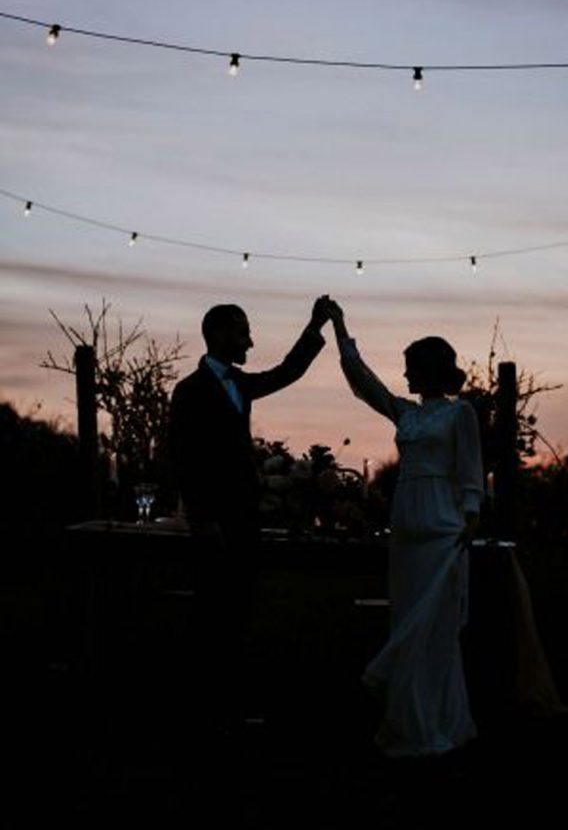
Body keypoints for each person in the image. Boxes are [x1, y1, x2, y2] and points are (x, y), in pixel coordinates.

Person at [327, 300, 484, 757]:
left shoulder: (460, 415)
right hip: (406, 529)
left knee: (434, 631)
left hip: (441, 528)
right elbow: (362, 380)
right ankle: (405, 721)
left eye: (411, 367)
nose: (405, 376)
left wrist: (470, 518)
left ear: (429, 369)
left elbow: (471, 471)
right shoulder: (406, 413)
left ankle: (438, 724)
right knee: (404, 621)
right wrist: (339, 326)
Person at [168, 298, 330, 735]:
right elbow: (183, 458)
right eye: (242, 333)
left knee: (238, 611)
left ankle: (229, 704)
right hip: (213, 522)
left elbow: (286, 372)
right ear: (220, 334)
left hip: (243, 518)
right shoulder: (189, 391)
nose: (250, 341)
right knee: (210, 614)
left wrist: (315, 327)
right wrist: (202, 518)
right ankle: (201, 709)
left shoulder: (240, 383)